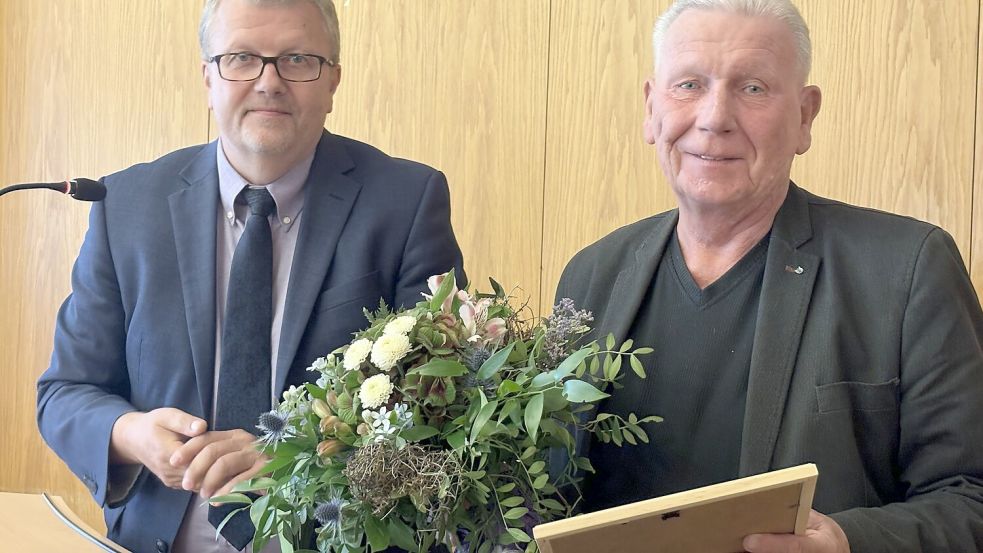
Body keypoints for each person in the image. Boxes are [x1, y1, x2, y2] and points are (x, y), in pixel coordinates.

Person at [36, 0, 465, 552]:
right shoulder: (126, 206)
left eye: (298, 59)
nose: (269, 82)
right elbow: (67, 391)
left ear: (333, 79)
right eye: (240, 58)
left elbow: (445, 405)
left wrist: (301, 453)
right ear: (208, 77)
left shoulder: (406, 202)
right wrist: (132, 434)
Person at [554, 1, 983, 551]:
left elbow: (970, 496)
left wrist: (847, 542)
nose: (714, 117)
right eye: (688, 85)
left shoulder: (906, 268)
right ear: (651, 108)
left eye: (753, 88)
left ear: (805, 116)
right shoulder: (592, 274)